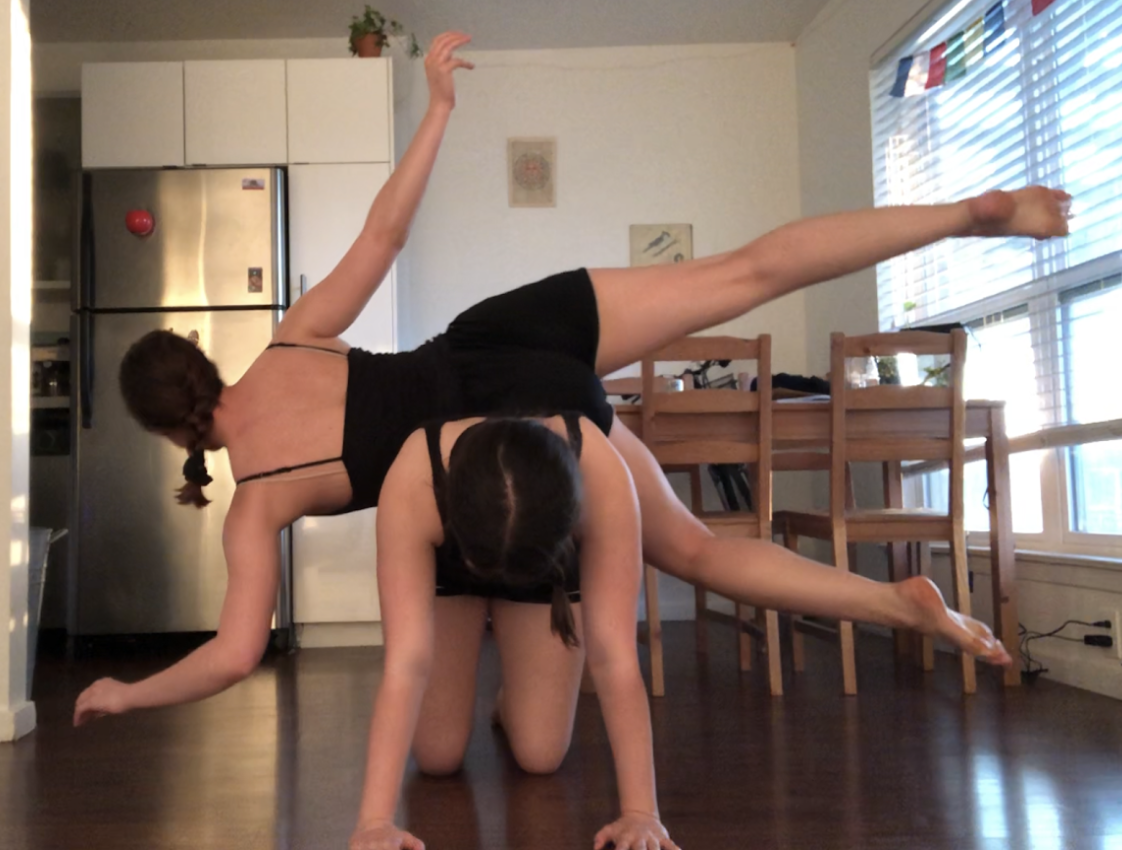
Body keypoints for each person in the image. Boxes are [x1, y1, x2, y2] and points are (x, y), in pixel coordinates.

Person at [72, 27, 1068, 844]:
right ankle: (961, 223)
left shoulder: (257, 499)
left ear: (173, 431)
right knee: (747, 276)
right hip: (520, 347)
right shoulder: (292, 339)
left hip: (459, 471)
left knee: (480, 720)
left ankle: (881, 605)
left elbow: (237, 654)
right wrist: (441, 109)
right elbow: (384, 234)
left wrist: (129, 691)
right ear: (203, 360)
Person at [351, 412, 677, 850]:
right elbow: (405, 662)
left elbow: (614, 656)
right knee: (436, 755)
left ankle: (513, 698)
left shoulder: (601, 472)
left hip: (545, 569)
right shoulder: (416, 477)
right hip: (454, 569)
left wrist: (642, 813)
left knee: (540, 755)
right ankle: (512, 679)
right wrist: (374, 821)